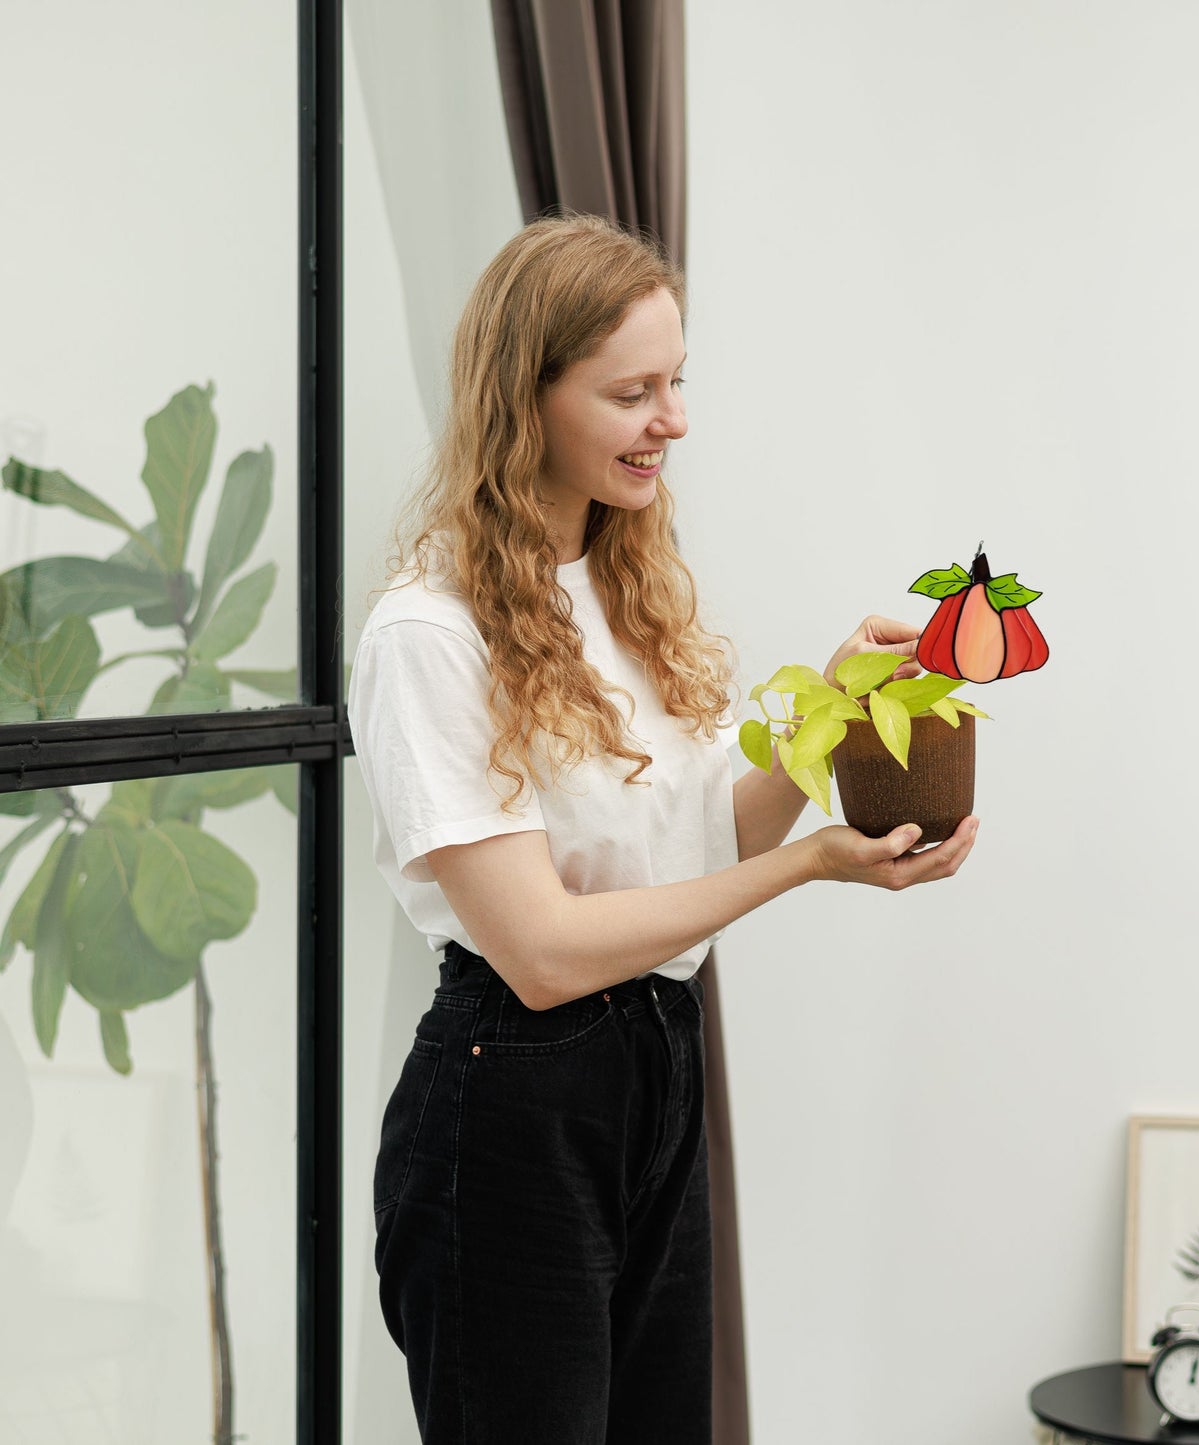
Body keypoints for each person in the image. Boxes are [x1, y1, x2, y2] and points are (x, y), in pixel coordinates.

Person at [348, 213, 980, 1444]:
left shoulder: (623, 581)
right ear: (522, 397)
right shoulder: (429, 633)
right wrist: (809, 866)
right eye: (631, 392)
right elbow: (540, 952)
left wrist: (831, 709)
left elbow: (695, 848)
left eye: (675, 381)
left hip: (655, 1060)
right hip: (514, 1098)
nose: (672, 421)